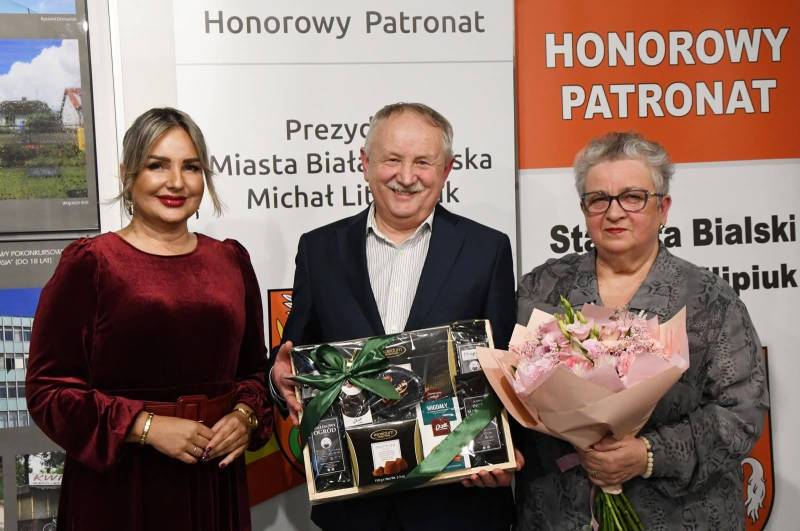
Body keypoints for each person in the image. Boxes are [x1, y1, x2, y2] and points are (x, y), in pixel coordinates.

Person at [270, 102, 521, 530]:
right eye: (391, 160)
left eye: (423, 162)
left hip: (457, 506)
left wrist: (506, 449)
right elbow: (297, 353)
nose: (406, 177)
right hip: (356, 510)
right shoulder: (319, 249)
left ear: (447, 169)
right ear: (365, 163)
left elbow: (508, 365)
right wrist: (279, 377)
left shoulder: (487, 249)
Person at [25, 107, 271, 531]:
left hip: (214, 479)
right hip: (121, 486)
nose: (176, 182)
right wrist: (145, 426)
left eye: (191, 167)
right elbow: (48, 390)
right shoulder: (92, 264)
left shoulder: (231, 261)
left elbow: (255, 372)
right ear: (128, 173)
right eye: (158, 165)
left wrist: (246, 417)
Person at [515, 132, 768, 530]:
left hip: (677, 515)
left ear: (663, 208)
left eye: (633, 197)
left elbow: (742, 412)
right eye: (599, 199)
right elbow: (511, 388)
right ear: (583, 209)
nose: (614, 213)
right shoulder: (542, 289)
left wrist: (649, 454)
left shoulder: (710, 300)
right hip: (561, 512)